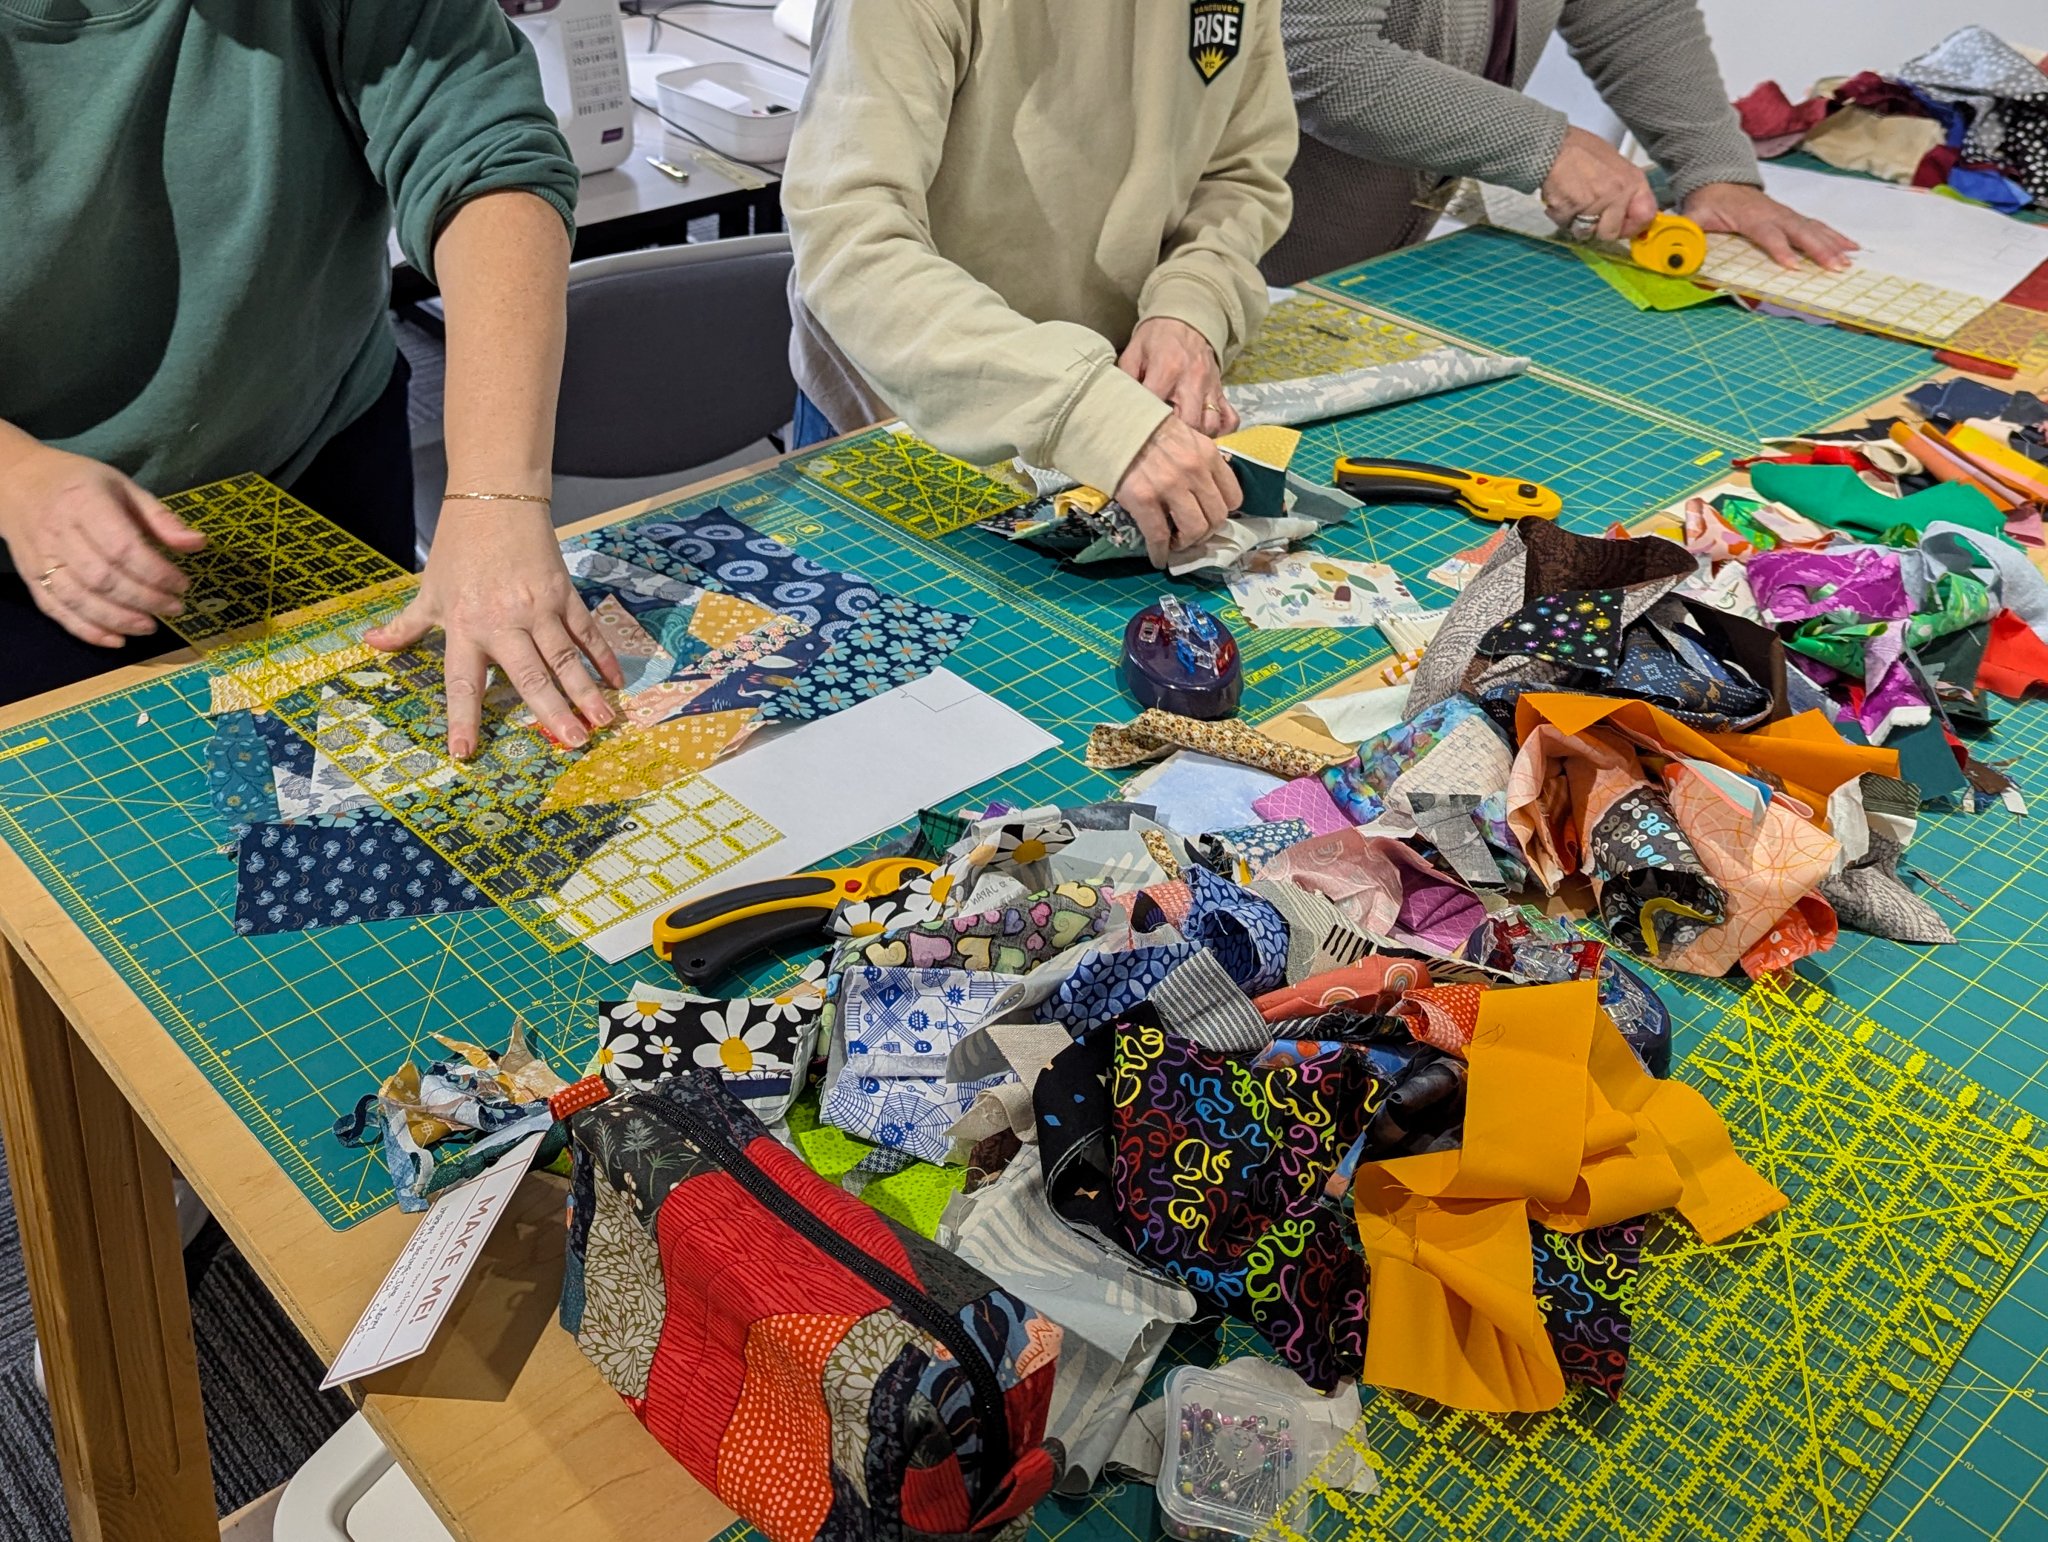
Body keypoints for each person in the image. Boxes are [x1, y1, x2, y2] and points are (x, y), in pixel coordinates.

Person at [0, 0, 623, 758]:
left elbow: (485, 152)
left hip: (318, 455)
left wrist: (496, 494)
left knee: (376, 777)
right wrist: (15, 473)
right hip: (32, 542)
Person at [782, 0, 1297, 568]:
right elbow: (850, 239)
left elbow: (1239, 173)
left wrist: (1190, 305)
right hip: (907, 412)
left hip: (1123, 411)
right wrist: (1089, 412)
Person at [1265, 0, 1858, 286]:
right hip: (1223, 255)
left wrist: (1715, 170)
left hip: (1359, 268)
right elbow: (1313, 54)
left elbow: (1635, 13)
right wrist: (1548, 145)